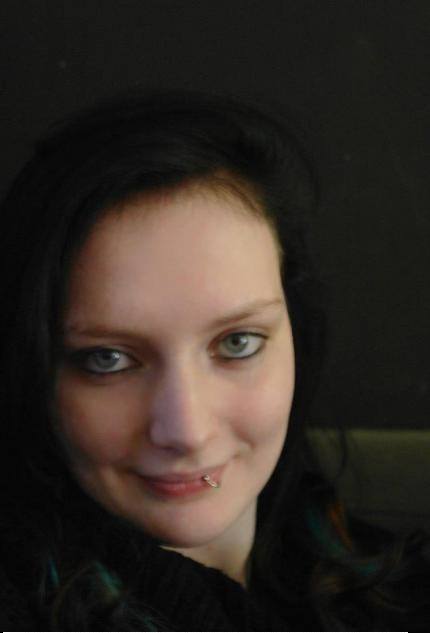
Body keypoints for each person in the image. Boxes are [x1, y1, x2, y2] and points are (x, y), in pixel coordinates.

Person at [0, 89, 428, 632]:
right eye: (108, 359)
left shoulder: (399, 588)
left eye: (237, 343)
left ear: (295, 332)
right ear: (33, 367)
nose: (187, 431)